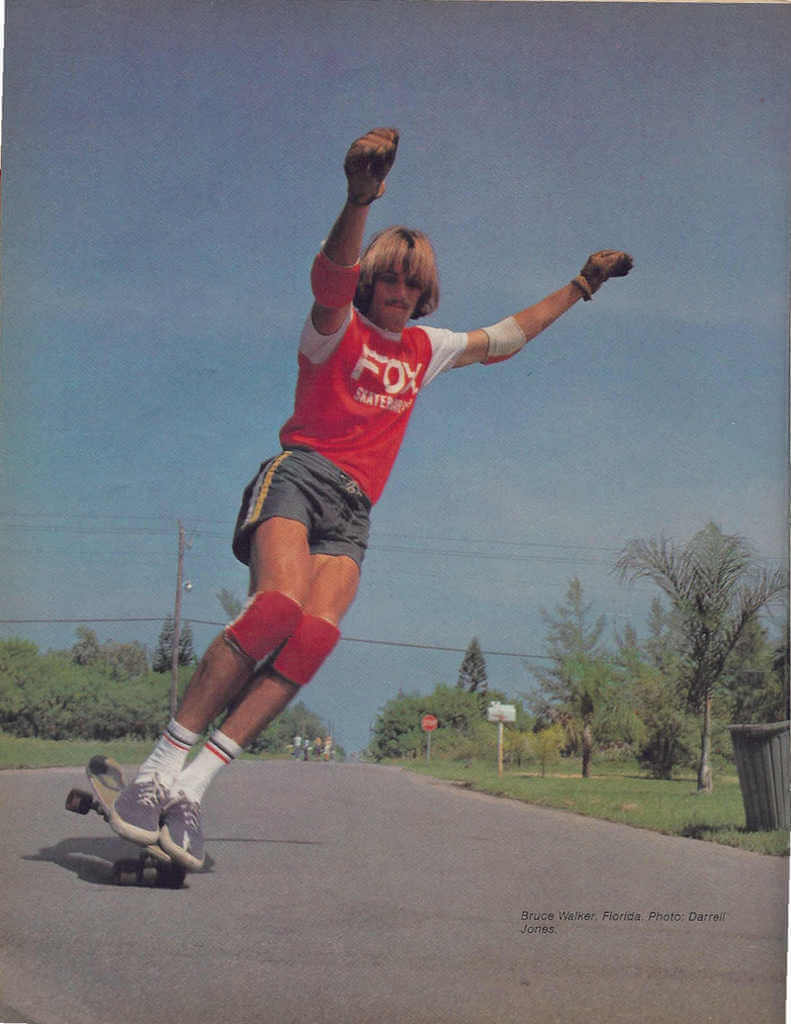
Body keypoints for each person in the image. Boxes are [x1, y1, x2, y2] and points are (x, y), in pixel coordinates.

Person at [110, 127, 632, 871]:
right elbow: (328, 276)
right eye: (389, 280)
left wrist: (580, 287)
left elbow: (509, 335)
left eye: (412, 286)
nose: (400, 294)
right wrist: (358, 198)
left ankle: (193, 788)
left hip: (354, 512)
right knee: (275, 610)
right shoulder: (334, 328)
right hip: (299, 474)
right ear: (371, 282)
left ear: (424, 296)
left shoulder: (425, 350)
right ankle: (156, 769)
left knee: (315, 635)